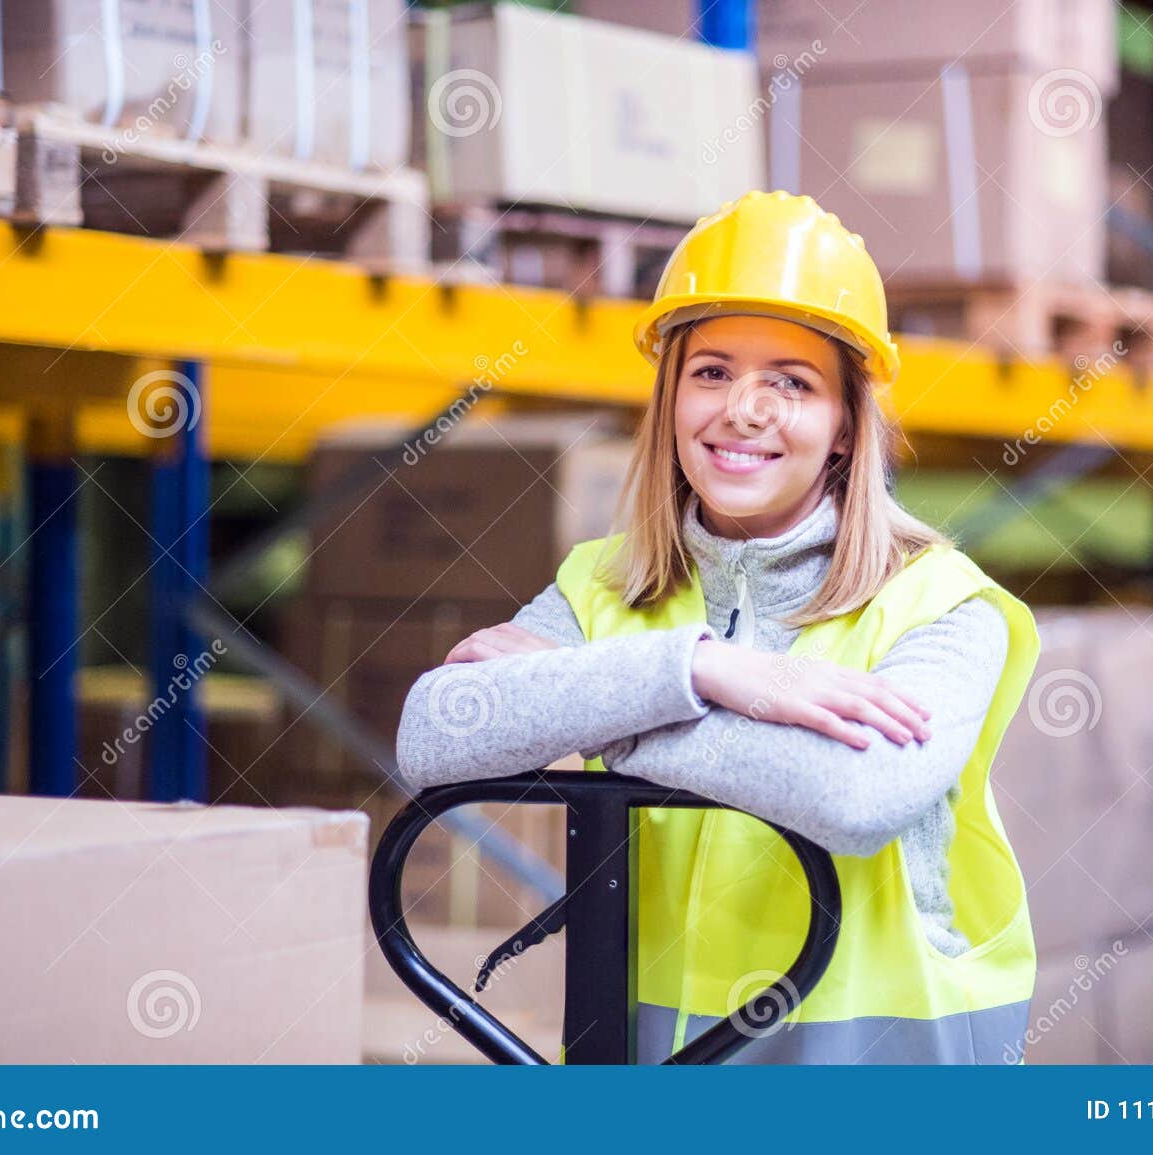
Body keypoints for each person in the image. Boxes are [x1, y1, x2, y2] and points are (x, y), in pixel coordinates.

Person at [396, 190, 1042, 1064]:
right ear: (671, 399)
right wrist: (700, 670)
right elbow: (437, 734)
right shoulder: (604, 583)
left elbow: (853, 800)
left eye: (793, 381)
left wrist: (596, 711)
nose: (744, 408)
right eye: (711, 371)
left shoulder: (941, 607)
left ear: (847, 424)